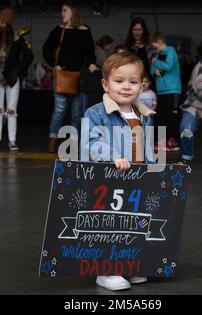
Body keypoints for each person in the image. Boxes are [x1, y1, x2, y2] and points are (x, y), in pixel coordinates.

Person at [81, 51, 155, 291]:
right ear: (105, 84)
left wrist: (154, 170)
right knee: (108, 226)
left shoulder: (144, 115)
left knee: (132, 224)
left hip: (136, 181)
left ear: (142, 86)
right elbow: (90, 143)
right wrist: (114, 156)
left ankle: (129, 264)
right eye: (119, 81)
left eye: (133, 82)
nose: (126, 87)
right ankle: (106, 270)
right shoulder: (95, 113)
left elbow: (147, 146)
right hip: (108, 181)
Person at [43, 1, 98, 153]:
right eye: (62, 11)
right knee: (59, 110)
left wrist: (91, 64)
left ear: (73, 11)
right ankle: (53, 140)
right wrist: (54, 65)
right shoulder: (59, 30)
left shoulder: (85, 30)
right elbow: (46, 49)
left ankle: (74, 143)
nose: (62, 13)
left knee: (76, 112)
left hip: (79, 77)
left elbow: (90, 53)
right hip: (62, 75)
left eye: (64, 10)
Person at [0, 8, 33, 151]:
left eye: (3, 22)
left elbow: (28, 56)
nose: (0, 25)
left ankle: (12, 141)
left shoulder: (17, 39)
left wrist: (18, 71)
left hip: (12, 78)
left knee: (12, 110)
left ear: (8, 24)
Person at [149, 32, 182, 151]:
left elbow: (168, 66)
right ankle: (162, 141)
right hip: (161, 91)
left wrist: (155, 63)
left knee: (172, 117)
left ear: (159, 42)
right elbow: (151, 69)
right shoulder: (157, 55)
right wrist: (154, 70)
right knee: (161, 117)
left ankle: (173, 142)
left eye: (154, 45)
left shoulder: (171, 51)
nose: (154, 48)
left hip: (172, 90)